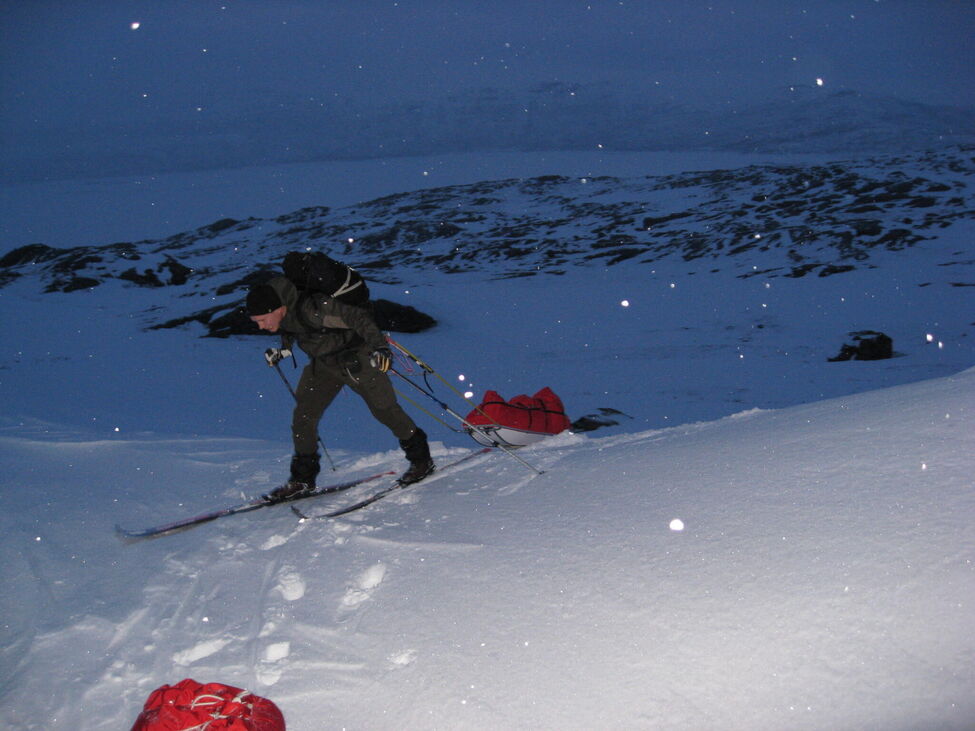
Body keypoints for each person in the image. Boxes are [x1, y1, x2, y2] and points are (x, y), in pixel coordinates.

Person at [246, 276, 434, 502]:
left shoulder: (314, 309)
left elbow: (357, 318)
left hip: (357, 361)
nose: (261, 326)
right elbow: (291, 328)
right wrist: (283, 350)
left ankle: (422, 461)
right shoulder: (286, 311)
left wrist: (380, 349)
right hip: (323, 366)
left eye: (262, 320)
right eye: (257, 321)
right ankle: (302, 480)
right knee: (303, 417)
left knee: (385, 410)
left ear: (278, 308)